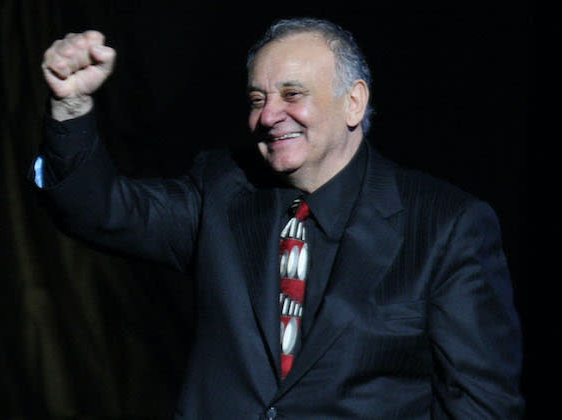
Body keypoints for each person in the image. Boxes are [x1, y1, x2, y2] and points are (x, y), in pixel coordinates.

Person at [34, 17, 523, 419]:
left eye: (292, 94)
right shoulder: (223, 188)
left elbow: (483, 407)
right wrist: (71, 104)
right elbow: (100, 211)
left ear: (354, 101)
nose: (269, 116)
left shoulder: (445, 223)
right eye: (257, 99)